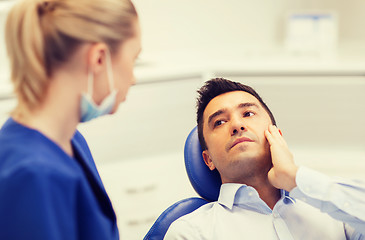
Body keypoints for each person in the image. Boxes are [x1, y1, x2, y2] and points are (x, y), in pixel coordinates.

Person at [0, 0, 141, 239]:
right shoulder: (32, 175)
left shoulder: (71, 140)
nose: (134, 78)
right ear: (99, 59)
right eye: (134, 59)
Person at [164, 78, 365, 239]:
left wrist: (294, 178)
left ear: (277, 136)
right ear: (208, 160)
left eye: (248, 113)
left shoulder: (333, 211)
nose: (236, 125)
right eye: (220, 122)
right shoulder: (189, 232)